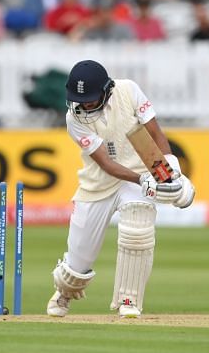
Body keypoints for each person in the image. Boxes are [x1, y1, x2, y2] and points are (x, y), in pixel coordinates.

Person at [46, 60, 195, 319]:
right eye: (81, 100)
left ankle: (129, 299)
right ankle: (64, 292)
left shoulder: (128, 91)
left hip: (140, 172)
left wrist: (171, 173)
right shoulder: (73, 119)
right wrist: (142, 180)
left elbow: (156, 134)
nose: (86, 105)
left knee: (138, 227)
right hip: (98, 184)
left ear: (107, 90)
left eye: (91, 99)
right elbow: (106, 163)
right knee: (79, 260)